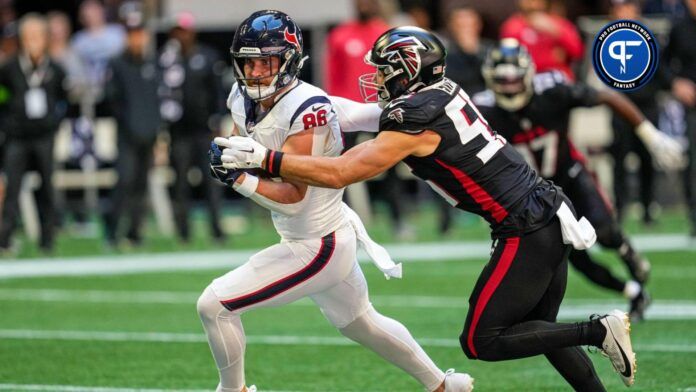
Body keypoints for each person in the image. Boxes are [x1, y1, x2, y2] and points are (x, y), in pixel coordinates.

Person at [219, 26, 639, 390]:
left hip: (525, 225)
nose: (378, 79)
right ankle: (595, 348)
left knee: (481, 340)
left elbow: (341, 173)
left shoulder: (413, 120)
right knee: (541, 330)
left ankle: (597, 329)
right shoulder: (440, 94)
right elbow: (348, 114)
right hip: (542, 210)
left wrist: (264, 159)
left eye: (385, 70)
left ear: (408, 71)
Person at [198, 11, 473, 392]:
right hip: (318, 235)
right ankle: (445, 386)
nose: (256, 71)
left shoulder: (307, 108)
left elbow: (293, 199)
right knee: (362, 323)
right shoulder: (240, 97)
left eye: (266, 61)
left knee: (214, 305)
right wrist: (229, 157)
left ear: (289, 60)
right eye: (249, 61)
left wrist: (241, 179)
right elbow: (242, 144)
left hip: (318, 243)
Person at [473, 39, 684, 321]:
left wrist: (650, 134)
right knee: (575, 258)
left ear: (528, 73)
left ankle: (626, 250)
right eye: (502, 79)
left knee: (604, 232)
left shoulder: (553, 90)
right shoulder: (482, 109)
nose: (510, 84)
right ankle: (632, 291)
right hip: (533, 195)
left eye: (514, 78)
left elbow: (608, 97)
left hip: (569, 176)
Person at [0, 13, 67, 254]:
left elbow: (64, 100)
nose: (33, 41)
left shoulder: (55, 69)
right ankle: (5, 238)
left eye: (38, 36)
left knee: (47, 188)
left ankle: (47, 239)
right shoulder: (9, 69)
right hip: (17, 137)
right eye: (29, 36)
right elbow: (2, 98)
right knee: (13, 188)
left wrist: (53, 123)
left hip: (43, 136)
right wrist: (8, 122)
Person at [159, 12, 225, 243]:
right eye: (177, 31)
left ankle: (217, 229)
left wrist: (217, 121)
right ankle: (183, 232)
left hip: (204, 131)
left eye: (184, 30)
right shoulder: (167, 60)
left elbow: (217, 93)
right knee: (180, 184)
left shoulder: (206, 57)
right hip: (178, 132)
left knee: (212, 180)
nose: (181, 35)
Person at [102, 11, 160, 247]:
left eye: (139, 34)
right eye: (132, 34)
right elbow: (111, 101)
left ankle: (135, 233)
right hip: (127, 136)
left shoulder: (152, 64)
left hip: (149, 135)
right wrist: (129, 125)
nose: (136, 39)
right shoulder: (116, 64)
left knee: (141, 184)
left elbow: (158, 102)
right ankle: (112, 231)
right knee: (124, 181)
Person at [663, 0, 696, 235]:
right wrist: (676, 83)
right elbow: (662, 63)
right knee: (693, 161)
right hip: (693, 105)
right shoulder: (680, 27)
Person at [500, 0, 584, 80]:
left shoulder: (558, 23)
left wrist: (555, 31)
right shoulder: (512, 26)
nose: (533, 3)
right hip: (527, 77)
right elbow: (508, 58)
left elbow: (578, 52)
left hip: (558, 76)